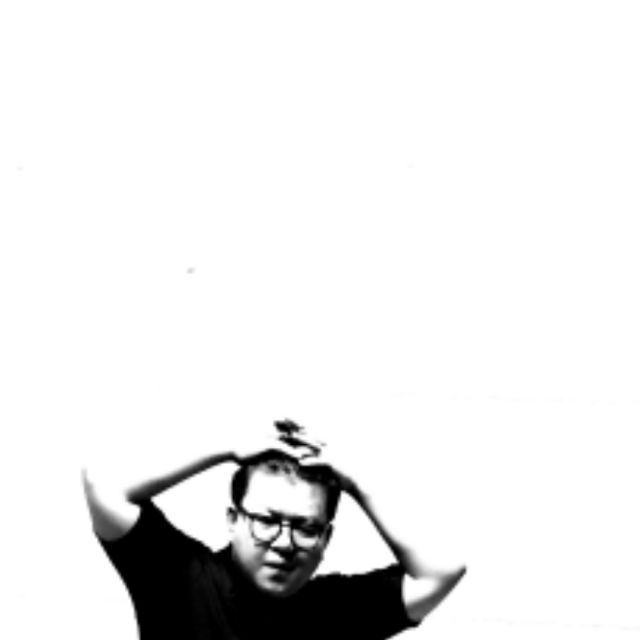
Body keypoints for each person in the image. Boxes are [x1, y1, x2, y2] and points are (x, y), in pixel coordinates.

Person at [82, 418, 466, 639]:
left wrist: (357, 482)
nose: (284, 542)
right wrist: (227, 447)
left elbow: (442, 571)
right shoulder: (182, 580)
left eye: (305, 527)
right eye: (266, 521)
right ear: (233, 520)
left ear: (326, 539)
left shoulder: (337, 610)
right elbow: (102, 483)